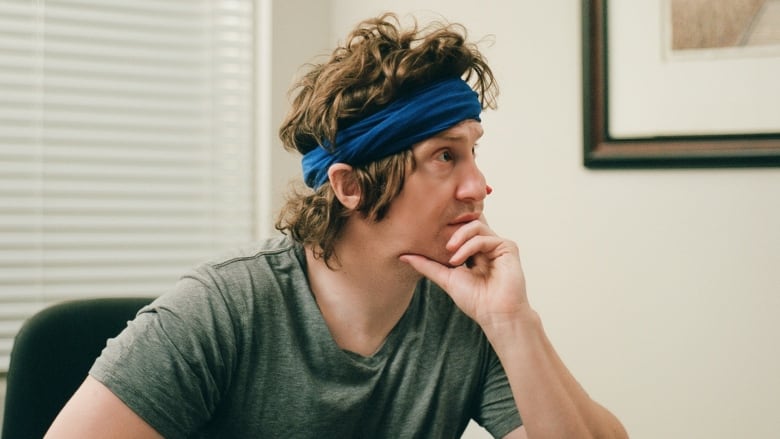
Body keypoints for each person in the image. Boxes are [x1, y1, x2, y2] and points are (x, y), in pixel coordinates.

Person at [45, 12, 628, 439]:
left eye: (473, 152)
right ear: (350, 187)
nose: (478, 185)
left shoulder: (467, 313)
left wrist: (513, 322)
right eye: (445, 157)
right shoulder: (222, 306)